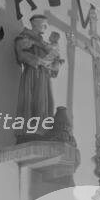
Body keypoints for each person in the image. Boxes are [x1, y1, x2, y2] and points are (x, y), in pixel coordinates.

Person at [14, 15, 61, 143]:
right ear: (35, 24)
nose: (46, 27)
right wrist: (38, 60)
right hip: (33, 74)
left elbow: (53, 61)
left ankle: (43, 131)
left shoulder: (44, 43)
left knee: (46, 102)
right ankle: (30, 131)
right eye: (43, 24)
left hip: (44, 76)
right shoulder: (25, 36)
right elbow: (21, 53)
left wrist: (55, 63)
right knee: (33, 99)